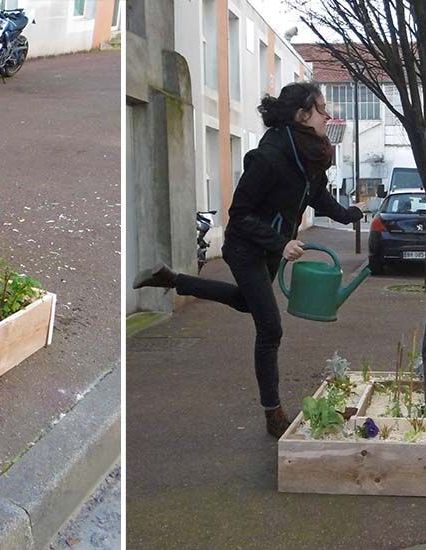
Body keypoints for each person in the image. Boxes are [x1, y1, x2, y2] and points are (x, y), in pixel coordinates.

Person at [132, 82, 366, 437]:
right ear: (302, 115)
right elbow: (238, 214)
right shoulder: (269, 158)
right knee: (270, 327)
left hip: (271, 249)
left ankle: (171, 279)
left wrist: (351, 214)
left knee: (246, 302)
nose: (327, 116)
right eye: (321, 109)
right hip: (244, 247)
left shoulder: (312, 157)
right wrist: (280, 241)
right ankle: (273, 414)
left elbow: (318, 198)